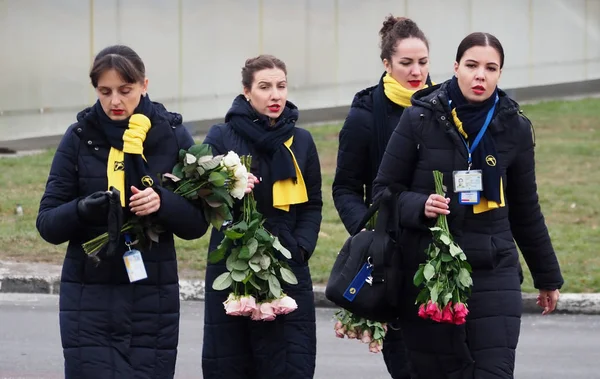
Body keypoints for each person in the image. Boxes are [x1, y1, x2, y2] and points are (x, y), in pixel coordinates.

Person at [372, 32, 564, 378]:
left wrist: (547, 276)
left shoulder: (514, 126)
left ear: (500, 75)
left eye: (491, 68)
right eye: (472, 65)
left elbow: (525, 208)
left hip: (494, 268)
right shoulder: (419, 118)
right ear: (456, 67)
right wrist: (420, 205)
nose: (481, 75)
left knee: (495, 370)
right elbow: (384, 192)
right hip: (430, 273)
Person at [36, 45, 210, 378]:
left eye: (125, 91)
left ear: (144, 85)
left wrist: (163, 202)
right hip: (88, 296)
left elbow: (197, 224)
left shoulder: (172, 135)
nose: (115, 101)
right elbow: (47, 224)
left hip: (151, 296)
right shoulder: (78, 137)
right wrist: (84, 210)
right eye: (105, 92)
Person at [201, 55, 323, 379]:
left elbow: (312, 205)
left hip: (288, 263)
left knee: (289, 363)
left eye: (281, 86)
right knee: (230, 363)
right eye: (265, 87)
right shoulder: (221, 136)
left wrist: (301, 248)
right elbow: (199, 193)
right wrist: (227, 185)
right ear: (246, 92)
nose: (275, 95)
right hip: (231, 262)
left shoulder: (303, 141)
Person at [332, 15, 432, 379]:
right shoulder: (364, 115)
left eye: (422, 62)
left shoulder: (447, 105)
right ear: (387, 64)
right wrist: (369, 234)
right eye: (406, 63)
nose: (416, 71)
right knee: (407, 365)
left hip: (442, 249)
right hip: (394, 259)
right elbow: (344, 186)